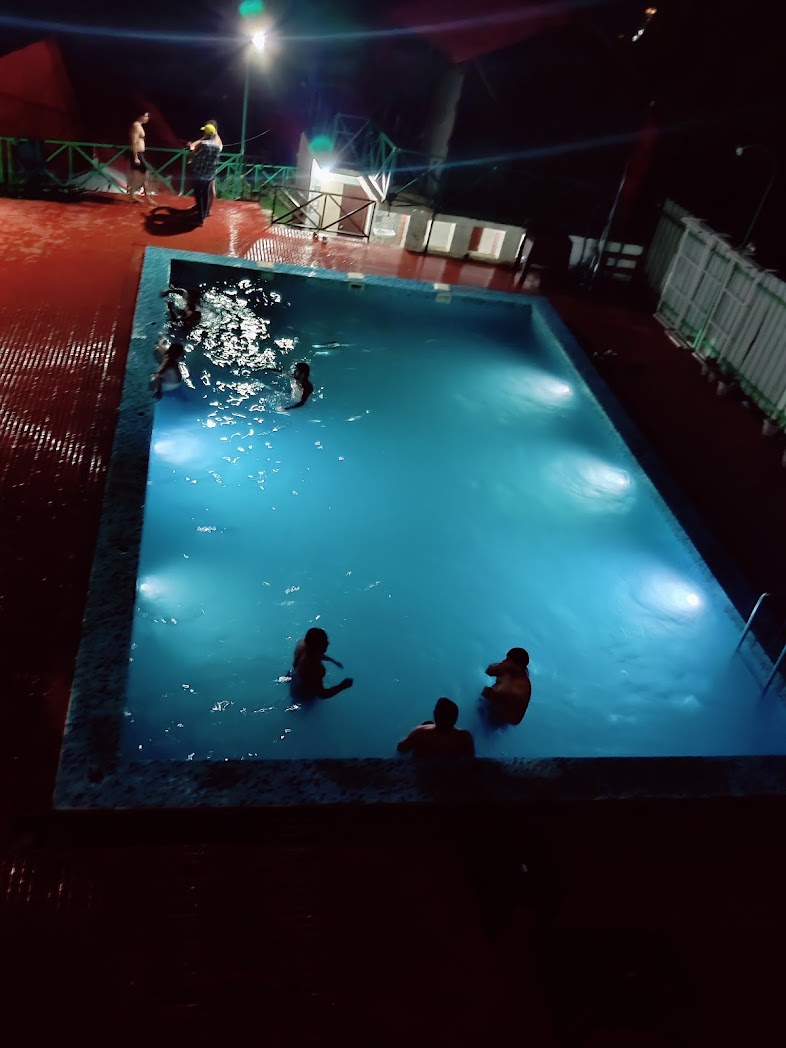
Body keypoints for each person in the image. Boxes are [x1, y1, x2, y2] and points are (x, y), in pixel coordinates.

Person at [289, 627, 353, 701]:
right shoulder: (315, 669)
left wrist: (332, 660)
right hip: (303, 693)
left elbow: (314, 653)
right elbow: (322, 694)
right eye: (325, 642)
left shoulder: (301, 644)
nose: (328, 643)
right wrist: (342, 686)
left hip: (293, 677)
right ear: (322, 646)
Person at [397, 698, 475, 757]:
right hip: (452, 773)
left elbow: (401, 749)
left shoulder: (420, 733)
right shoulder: (464, 738)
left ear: (435, 715)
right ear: (455, 719)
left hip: (423, 772)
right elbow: (471, 761)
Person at [482, 647, 531, 726]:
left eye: (508, 660)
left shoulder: (521, 689)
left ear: (518, 666)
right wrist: (500, 667)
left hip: (493, 722)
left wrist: (494, 697)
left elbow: (515, 720)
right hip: (486, 704)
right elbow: (489, 671)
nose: (504, 661)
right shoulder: (508, 669)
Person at [188, 122, 222, 225]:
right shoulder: (217, 146)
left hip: (199, 173)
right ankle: (204, 214)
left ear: (206, 134)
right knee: (205, 193)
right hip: (210, 174)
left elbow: (194, 154)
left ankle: (200, 217)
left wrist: (190, 147)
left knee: (198, 194)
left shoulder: (203, 144)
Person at [128, 111, 152, 200]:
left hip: (140, 153)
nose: (147, 118)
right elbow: (134, 141)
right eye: (145, 116)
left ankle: (134, 195)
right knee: (145, 173)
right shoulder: (136, 126)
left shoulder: (139, 126)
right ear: (140, 116)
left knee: (140, 174)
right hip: (137, 153)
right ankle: (146, 196)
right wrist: (136, 157)